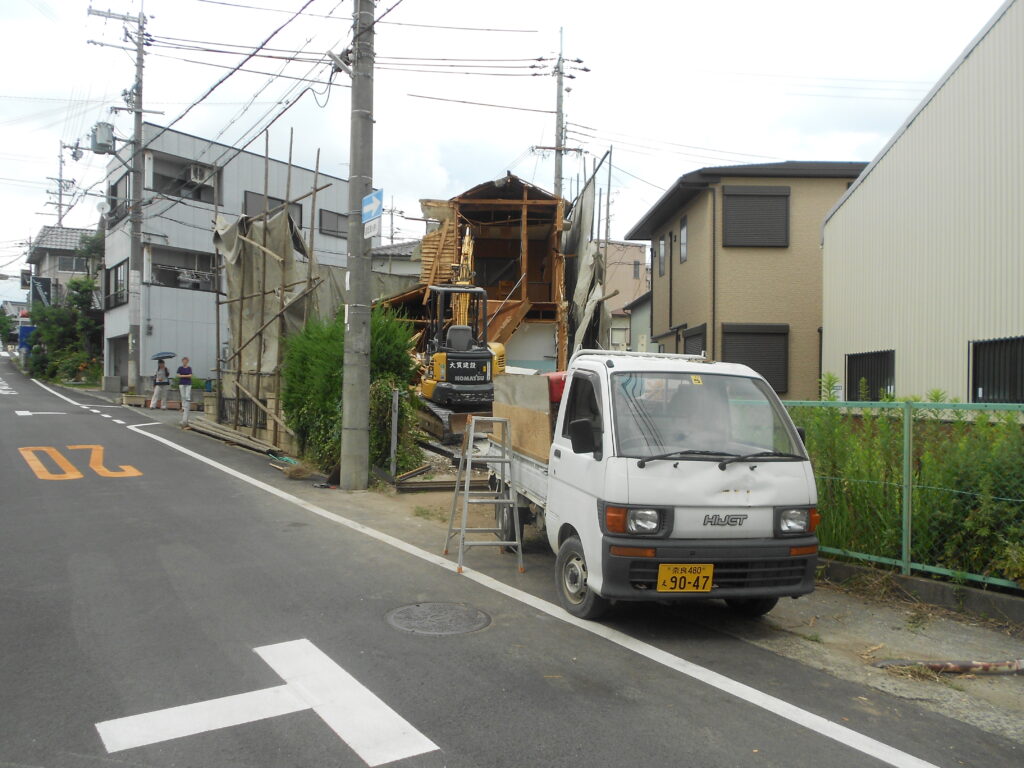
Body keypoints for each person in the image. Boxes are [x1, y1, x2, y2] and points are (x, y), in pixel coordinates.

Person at [177, 356, 193, 426]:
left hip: (188, 384)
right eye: (183, 361)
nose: (185, 362)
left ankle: (186, 406)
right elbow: (178, 375)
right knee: (183, 395)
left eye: (186, 361)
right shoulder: (180, 368)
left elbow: (190, 375)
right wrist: (185, 376)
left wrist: (182, 375)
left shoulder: (189, 368)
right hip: (181, 383)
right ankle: (183, 407)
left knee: (187, 396)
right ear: (182, 361)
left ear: (187, 361)